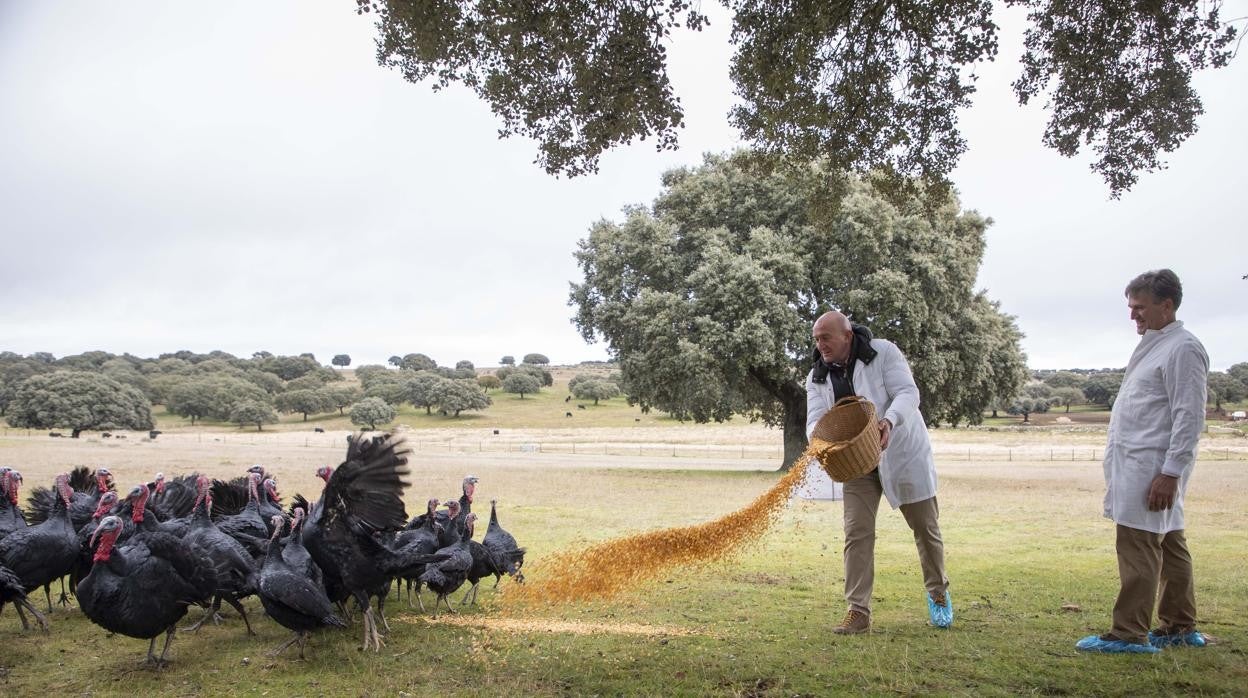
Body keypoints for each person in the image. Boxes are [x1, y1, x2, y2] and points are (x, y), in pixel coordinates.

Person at [1077, 269, 1209, 654]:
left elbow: (1189, 415)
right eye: (1131, 307)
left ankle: (1128, 633)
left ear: (1166, 306)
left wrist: (1170, 472)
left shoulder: (1183, 347)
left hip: (1152, 467)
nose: (1133, 315)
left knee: (1137, 544)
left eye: (1140, 308)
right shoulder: (1159, 344)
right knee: (1170, 543)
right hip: (1143, 464)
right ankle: (1179, 626)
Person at [806, 310, 951, 634]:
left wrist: (889, 421)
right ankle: (858, 612)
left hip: (901, 453)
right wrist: (820, 443)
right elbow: (814, 420)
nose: (820, 345)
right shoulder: (817, 376)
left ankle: (938, 593)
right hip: (857, 463)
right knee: (856, 531)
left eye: (825, 338)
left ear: (846, 335)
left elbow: (908, 393)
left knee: (925, 529)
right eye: (816, 339)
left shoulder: (883, 352)